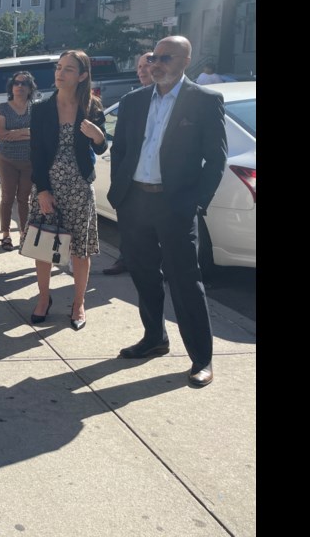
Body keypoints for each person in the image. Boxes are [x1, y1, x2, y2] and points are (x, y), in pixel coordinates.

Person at [109, 36, 227, 388]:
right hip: (135, 203)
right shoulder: (134, 101)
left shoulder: (204, 100)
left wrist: (195, 202)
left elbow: (216, 159)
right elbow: (122, 150)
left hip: (175, 206)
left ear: (185, 60)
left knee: (185, 282)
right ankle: (154, 338)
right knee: (144, 277)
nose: (155, 64)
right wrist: (121, 195)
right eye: (152, 57)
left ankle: (201, 358)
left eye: (164, 57)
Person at [28, 50, 107, 329]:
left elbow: (101, 145)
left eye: (69, 69)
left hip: (79, 186)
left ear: (82, 75)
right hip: (48, 185)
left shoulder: (93, 107)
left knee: (79, 249)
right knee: (45, 246)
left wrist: (98, 137)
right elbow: (36, 153)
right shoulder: (40, 109)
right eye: (59, 68)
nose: (60, 73)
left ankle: (78, 301)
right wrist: (42, 191)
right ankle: (43, 298)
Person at [104, 51, 153, 277]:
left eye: (146, 65)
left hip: (161, 180)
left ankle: (162, 266)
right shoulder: (131, 100)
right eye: (139, 66)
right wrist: (118, 180)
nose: (141, 70)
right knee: (130, 224)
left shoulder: (182, 100)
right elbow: (119, 145)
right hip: (133, 178)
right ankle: (126, 259)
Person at [0, 71, 35, 252]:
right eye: (16, 83)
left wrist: (16, 133)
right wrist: (26, 131)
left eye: (24, 83)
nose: (20, 86)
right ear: (11, 87)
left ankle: (24, 234)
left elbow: (37, 134)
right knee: (7, 197)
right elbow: (2, 135)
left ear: (29, 88)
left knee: (24, 199)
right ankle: (5, 234)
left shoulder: (35, 108)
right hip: (7, 160)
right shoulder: (2, 108)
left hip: (29, 161)